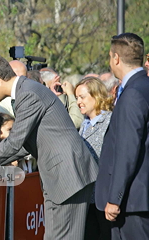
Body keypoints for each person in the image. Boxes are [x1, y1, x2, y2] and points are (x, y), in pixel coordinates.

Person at [0, 56, 98, 239]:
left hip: (67, 177)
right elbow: (23, 144)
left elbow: (14, 143)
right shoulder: (26, 91)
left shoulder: (28, 93)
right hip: (60, 178)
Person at [95, 33, 149, 239]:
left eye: (110, 56)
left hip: (132, 202)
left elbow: (127, 150)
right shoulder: (143, 86)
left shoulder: (133, 93)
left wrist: (115, 198)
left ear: (116, 58)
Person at [75, 77, 113, 240]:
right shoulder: (84, 124)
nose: (78, 102)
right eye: (76, 98)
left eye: (82, 97)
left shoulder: (110, 121)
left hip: (105, 198)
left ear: (96, 96)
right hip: (87, 198)